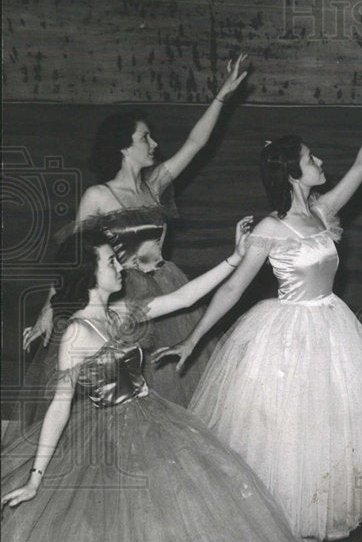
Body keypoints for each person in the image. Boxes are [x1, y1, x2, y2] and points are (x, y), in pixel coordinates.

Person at [1, 225, 316, 542]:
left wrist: (236, 256)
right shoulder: (76, 332)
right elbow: (60, 404)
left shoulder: (122, 312)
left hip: (153, 419)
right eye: (110, 262)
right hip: (106, 433)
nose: (120, 267)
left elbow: (184, 298)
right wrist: (37, 477)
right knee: (112, 524)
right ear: (88, 274)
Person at [153, 62, 362, 542]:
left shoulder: (323, 212)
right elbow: (232, 289)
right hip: (287, 333)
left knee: (327, 425)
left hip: (330, 325)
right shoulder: (269, 229)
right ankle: (283, 523)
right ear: (292, 172)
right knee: (286, 429)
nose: (321, 162)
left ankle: (316, 511)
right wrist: (193, 340)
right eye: (311, 158)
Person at [18, 55, 250, 418]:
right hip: (123, 295)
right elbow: (74, 256)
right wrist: (49, 308)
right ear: (125, 146)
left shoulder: (155, 185)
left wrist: (222, 95)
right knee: (124, 391)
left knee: (173, 383)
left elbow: (195, 143)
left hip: (166, 289)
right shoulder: (98, 195)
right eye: (145, 137)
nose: (154, 143)